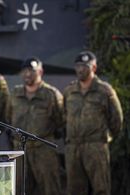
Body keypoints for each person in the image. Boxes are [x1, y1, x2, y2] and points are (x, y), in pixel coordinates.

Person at [63, 51, 123, 195]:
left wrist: (105, 138)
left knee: (101, 187)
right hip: (73, 147)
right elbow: (63, 115)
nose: (81, 69)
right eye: (78, 66)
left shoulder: (104, 91)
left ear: (94, 68)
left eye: (85, 66)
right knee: (74, 189)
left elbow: (116, 120)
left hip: (96, 145)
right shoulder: (70, 91)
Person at [6, 57, 63, 195]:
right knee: (18, 188)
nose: (27, 74)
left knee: (50, 188)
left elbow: (61, 121)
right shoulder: (15, 94)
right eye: (24, 71)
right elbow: (8, 118)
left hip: (44, 150)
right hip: (20, 149)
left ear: (40, 72)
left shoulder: (51, 94)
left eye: (32, 71)